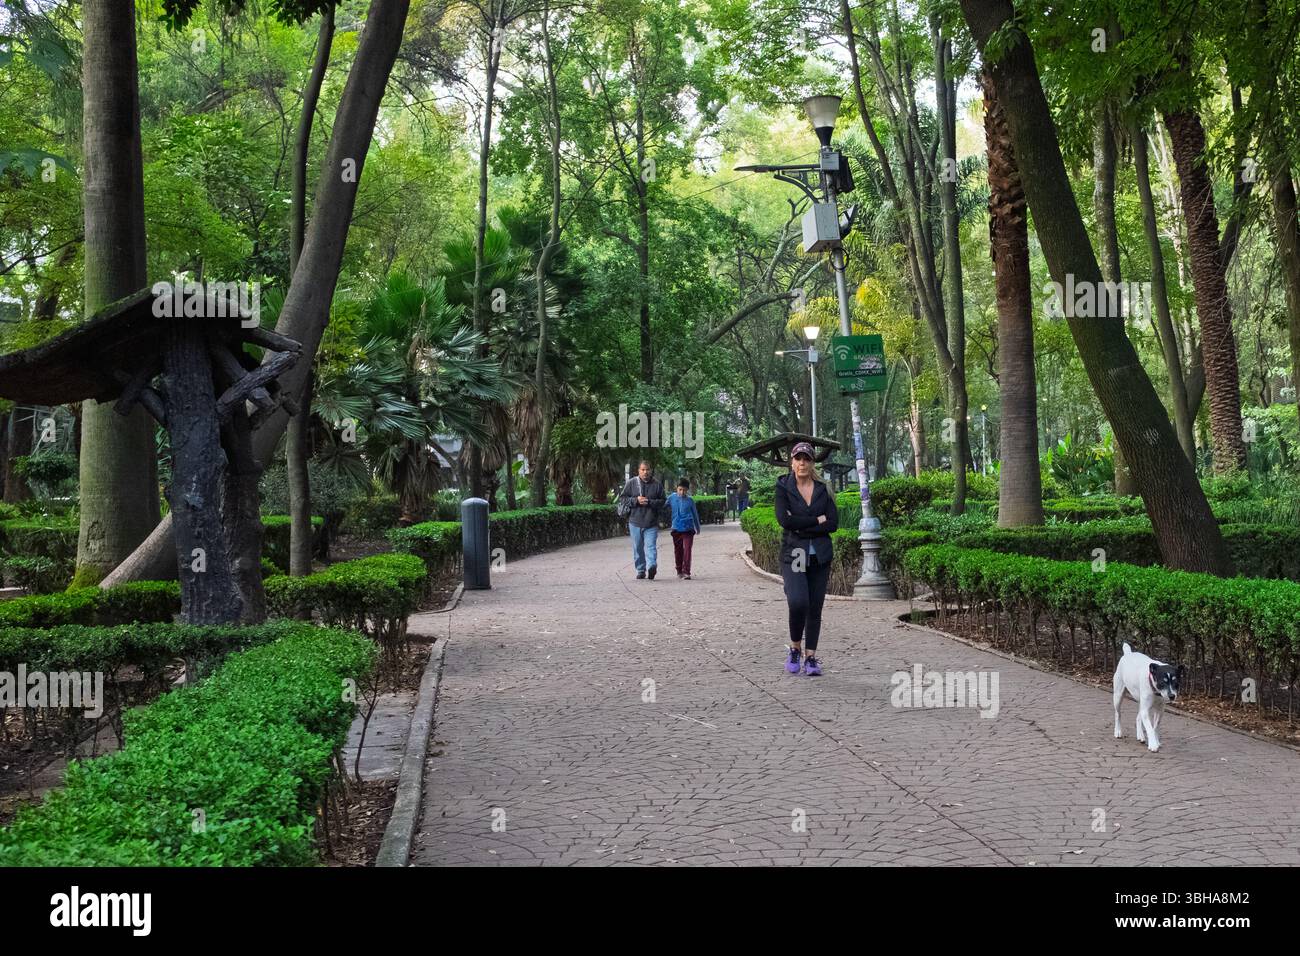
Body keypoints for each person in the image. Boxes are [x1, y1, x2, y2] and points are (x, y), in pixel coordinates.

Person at [773, 442, 838, 676]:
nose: (802, 463)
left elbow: (833, 523)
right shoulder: (783, 487)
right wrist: (816, 520)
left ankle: (810, 657)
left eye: (807, 459)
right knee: (799, 602)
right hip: (796, 553)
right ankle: (794, 648)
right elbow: (785, 521)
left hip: (819, 554)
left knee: (815, 607)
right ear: (792, 462)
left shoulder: (823, 488)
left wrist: (803, 523)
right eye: (798, 458)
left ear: (812, 463)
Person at [618, 460, 665, 580]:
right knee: (638, 547)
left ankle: (652, 566)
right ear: (638, 471)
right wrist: (636, 500)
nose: (645, 472)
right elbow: (623, 498)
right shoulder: (632, 483)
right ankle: (640, 570)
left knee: (651, 546)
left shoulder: (657, 484)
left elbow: (663, 501)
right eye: (642, 470)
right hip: (635, 522)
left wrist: (649, 502)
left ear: (651, 470)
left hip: (651, 522)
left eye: (647, 469)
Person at [667, 477, 703, 579]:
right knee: (678, 550)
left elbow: (695, 514)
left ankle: (686, 571)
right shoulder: (671, 498)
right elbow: (663, 506)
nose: (682, 492)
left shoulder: (690, 501)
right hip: (676, 528)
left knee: (687, 549)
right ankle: (679, 570)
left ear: (687, 490)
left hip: (688, 528)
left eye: (684, 490)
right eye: (680, 489)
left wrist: (697, 527)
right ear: (676, 488)